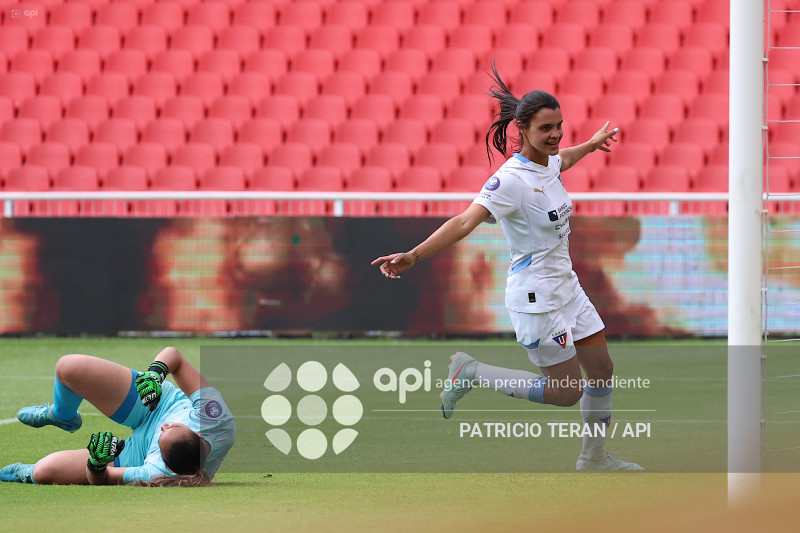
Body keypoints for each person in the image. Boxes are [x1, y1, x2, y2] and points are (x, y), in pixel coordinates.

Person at [371, 65, 643, 471]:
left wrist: (589, 144)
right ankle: (472, 372)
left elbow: (562, 160)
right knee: (567, 392)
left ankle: (594, 458)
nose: (555, 134)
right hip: (536, 298)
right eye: (546, 128)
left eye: (559, 126)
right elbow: (465, 221)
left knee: (602, 369)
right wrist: (414, 254)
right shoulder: (509, 181)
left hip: (567, 287)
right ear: (522, 129)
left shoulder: (548, 162)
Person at [0, 347, 235, 486]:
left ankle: (26, 472)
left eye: (162, 438)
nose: (164, 427)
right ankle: (62, 414)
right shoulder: (216, 420)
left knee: (43, 472)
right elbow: (175, 356)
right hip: (156, 403)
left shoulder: (157, 471)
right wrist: (155, 374)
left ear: (165, 462)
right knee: (68, 367)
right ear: (197, 433)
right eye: (172, 427)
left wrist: (96, 463)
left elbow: (102, 479)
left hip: (139, 452)